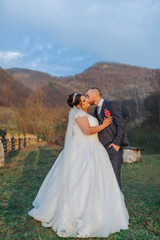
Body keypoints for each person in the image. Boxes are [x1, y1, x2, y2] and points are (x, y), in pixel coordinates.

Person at [28, 93, 129, 238]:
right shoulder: (78, 115)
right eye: (84, 100)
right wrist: (104, 125)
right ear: (78, 104)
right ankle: (78, 213)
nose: (87, 101)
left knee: (98, 181)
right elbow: (87, 131)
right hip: (83, 150)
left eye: (86, 98)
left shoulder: (85, 113)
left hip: (94, 148)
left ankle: (101, 213)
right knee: (82, 181)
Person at [86, 88, 130, 190]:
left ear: (95, 95)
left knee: (114, 178)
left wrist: (116, 144)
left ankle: (118, 205)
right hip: (101, 149)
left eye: (88, 95)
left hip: (112, 147)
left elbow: (121, 124)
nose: (87, 98)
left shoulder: (111, 105)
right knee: (104, 178)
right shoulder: (95, 111)